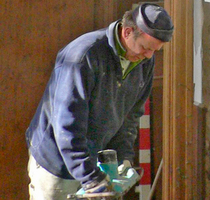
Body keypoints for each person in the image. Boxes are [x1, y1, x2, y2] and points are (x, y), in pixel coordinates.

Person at [25, 3, 174, 200]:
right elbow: (66, 127)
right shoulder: (82, 56)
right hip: (57, 161)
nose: (149, 55)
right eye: (146, 48)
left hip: (94, 158)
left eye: (155, 50)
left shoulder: (144, 60)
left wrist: (124, 159)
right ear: (128, 32)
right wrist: (91, 179)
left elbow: (131, 115)